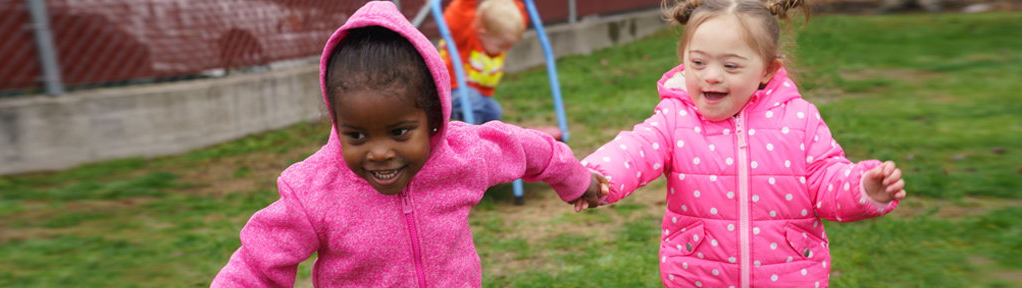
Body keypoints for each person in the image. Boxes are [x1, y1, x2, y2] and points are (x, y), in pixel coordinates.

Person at [210, 2, 606, 287]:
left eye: (399, 132)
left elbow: (529, 150)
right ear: (337, 120)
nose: (379, 152)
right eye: (357, 135)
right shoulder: (314, 190)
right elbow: (258, 265)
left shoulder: (464, 154)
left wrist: (576, 180)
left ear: (433, 117)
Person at [580, 0, 907, 286]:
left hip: (790, 275)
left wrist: (863, 188)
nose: (711, 76)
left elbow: (826, 179)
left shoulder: (799, 120)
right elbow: (636, 149)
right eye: (698, 63)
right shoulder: (676, 119)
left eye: (730, 66)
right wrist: (595, 176)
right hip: (699, 274)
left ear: (767, 70)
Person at [440, 0, 528, 123]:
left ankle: (488, 139)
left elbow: (516, 20)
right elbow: (457, 15)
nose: (506, 48)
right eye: (501, 45)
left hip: (479, 96)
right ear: (482, 32)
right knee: (472, 100)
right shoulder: (462, 38)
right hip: (450, 91)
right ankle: (468, 137)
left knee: (494, 110)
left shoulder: (498, 35)